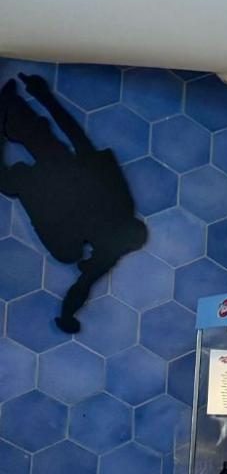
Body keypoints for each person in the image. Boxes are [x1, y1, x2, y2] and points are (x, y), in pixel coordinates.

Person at [0, 73, 150, 333]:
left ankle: (12, 117)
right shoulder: (114, 202)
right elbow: (78, 139)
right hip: (59, 178)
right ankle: (12, 113)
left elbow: (83, 286)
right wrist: (44, 96)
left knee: (68, 252)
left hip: (52, 190)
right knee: (40, 148)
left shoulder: (113, 232)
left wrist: (68, 314)